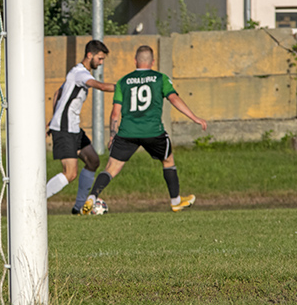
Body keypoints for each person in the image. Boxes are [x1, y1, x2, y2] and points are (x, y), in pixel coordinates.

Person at [81, 45, 207, 214]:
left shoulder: (123, 82)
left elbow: (115, 113)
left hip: (127, 133)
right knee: (168, 161)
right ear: (152, 62)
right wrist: (195, 118)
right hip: (153, 132)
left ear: (135, 61)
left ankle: (92, 198)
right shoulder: (160, 78)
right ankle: (176, 201)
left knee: (110, 169)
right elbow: (174, 99)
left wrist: (112, 135)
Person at [46, 40, 115, 215]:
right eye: (100, 58)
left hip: (73, 127)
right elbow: (99, 86)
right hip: (65, 128)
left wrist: (52, 118)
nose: (101, 62)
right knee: (70, 173)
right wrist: (123, 88)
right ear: (89, 55)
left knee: (93, 161)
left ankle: (78, 208)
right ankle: (34, 200)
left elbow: (57, 93)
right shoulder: (80, 74)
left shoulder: (76, 72)